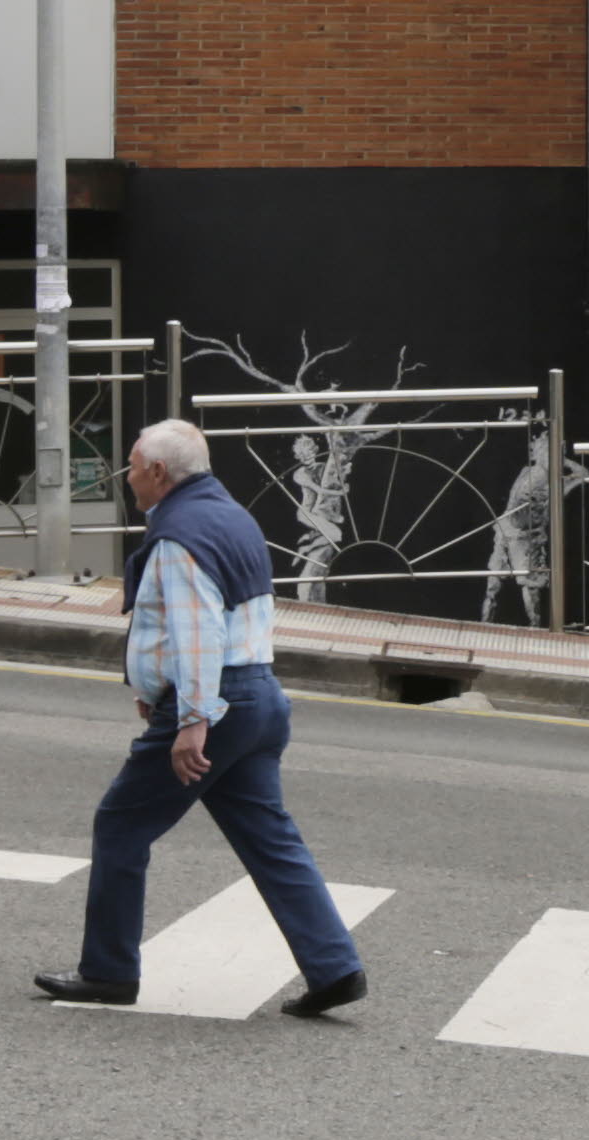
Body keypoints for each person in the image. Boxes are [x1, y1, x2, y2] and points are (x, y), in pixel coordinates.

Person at [33, 418, 369, 1019]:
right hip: (261, 694)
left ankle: (107, 972)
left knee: (121, 825)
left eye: (133, 465)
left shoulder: (177, 536)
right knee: (269, 836)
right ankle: (335, 966)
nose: (127, 476)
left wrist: (192, 718)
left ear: (158, 473)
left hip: (219, 703)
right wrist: (158, 687)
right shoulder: (232, 517)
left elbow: (197, 632)